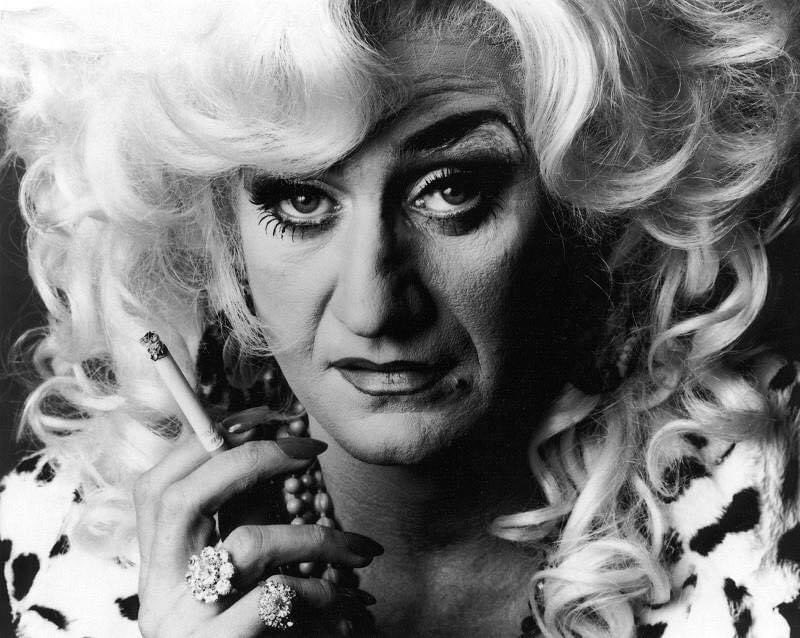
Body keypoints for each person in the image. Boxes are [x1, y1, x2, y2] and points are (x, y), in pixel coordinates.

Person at [1, 0, 800, 636]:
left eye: (452, 189)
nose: (373, 307)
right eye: (300, 199)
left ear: (587, 200)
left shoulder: (769, 508)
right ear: (220, 233)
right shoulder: (72, 547)